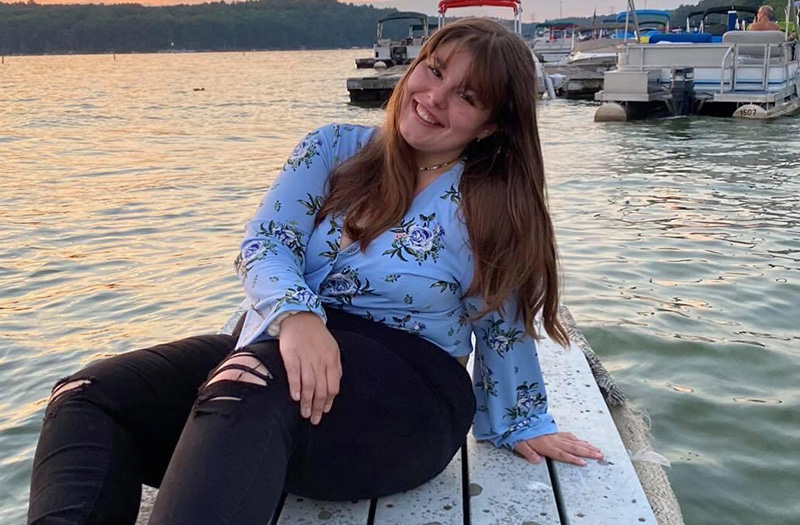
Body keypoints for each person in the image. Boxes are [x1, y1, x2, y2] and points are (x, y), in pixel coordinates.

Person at [27, 18, 603, 525]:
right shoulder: (331, 151)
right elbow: (267, 242)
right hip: (280, 346)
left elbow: (501, 322)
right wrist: (299, 316)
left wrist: (522, 420)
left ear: (490, 126)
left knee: (249, 379)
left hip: (407, 398)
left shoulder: (491, 202)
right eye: (433, 72)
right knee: (87, 394)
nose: (433, 97)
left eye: (466, 95)